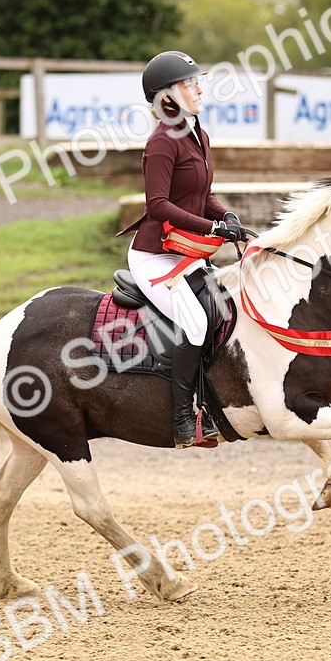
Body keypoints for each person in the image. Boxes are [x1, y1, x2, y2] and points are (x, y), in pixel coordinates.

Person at [122, 50, 245, 449]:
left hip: (185, 254)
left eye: (197, 81)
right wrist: (211, 227)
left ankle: (211, 406)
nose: (199, 88)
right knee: (194, 323)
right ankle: (180, 420)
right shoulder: (161, 143)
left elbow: (202, 195)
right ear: (166, 98)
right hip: (155, 257)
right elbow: (158, 205)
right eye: (189, 83)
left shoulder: (198, 135)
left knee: (221, 311)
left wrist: (227, 217)